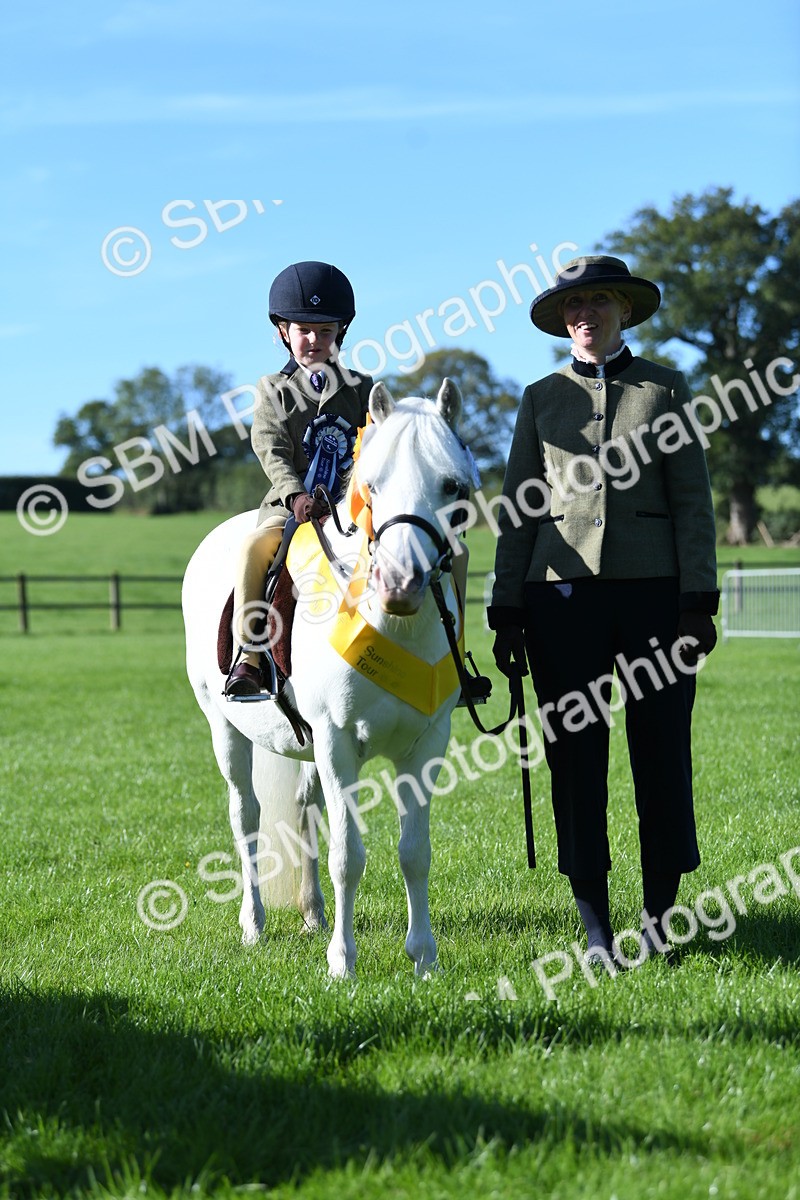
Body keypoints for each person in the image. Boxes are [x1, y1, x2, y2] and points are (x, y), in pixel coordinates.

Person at [487, 254, 719, 967]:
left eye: (598, 303)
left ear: (623, 310)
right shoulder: (539, 398)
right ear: (564, 321)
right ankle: (595, 928)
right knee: (576, 763)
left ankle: (658, 920)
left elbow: (692, 504)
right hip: (561, 601)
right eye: (573, 307)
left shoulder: (666, 390)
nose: (585, 315)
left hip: (655, 600)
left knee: (661, 757)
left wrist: (697, 603)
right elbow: (518, 511)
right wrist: (507, 608)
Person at [226, 260, 373, 697]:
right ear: (283, 332)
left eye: (325, 331)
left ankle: (450, 662)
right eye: (304, 331)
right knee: (254, 549)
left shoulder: (362, 389)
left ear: (339, 334)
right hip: (292, 510)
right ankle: (249, 657)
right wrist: (294, 495)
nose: (314, 340)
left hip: (351, 511)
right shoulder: (272, 389)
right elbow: (270, 449)